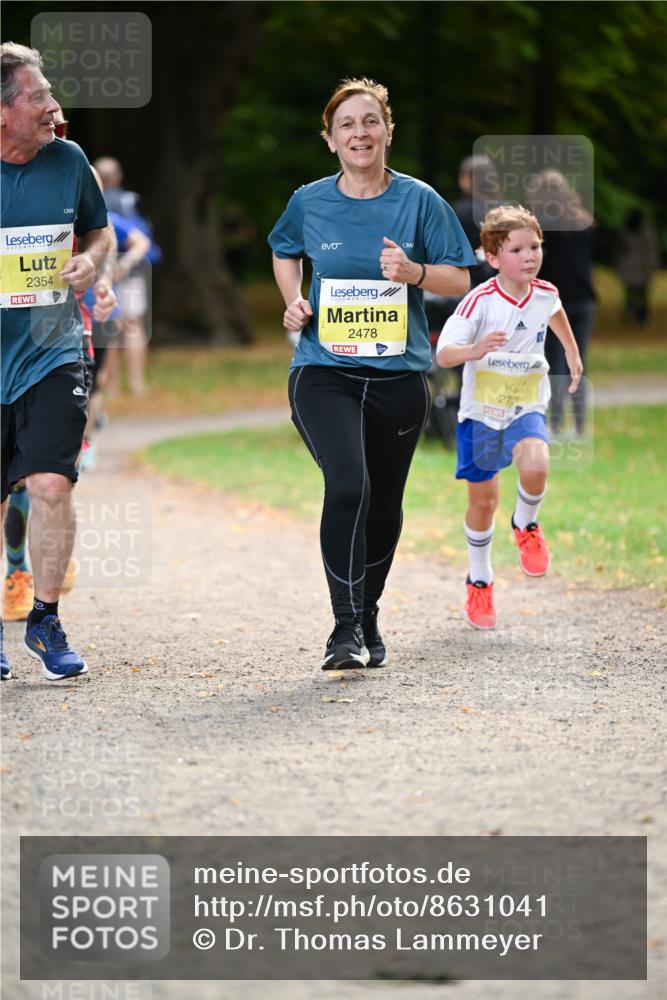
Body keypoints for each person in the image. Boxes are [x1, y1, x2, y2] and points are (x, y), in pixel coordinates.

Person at [269, 78, 475, 670]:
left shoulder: (420, 201)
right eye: (346, 126)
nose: (359, 133)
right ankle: (343, 628)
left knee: (384, 504)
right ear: (330, 140)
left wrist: (413, 273)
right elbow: (284, 250)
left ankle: (368, 614)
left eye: (370, 122)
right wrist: (294, 298)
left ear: (388, 131)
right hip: (323, 371)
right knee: (350, 485)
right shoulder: (309, 201)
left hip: (399, 380)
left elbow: (459, 279)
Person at [1, 43, 111, 680]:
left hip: (53, 348)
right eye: (38, 96)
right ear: (3, 112)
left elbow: (99, 228)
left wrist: (92, 258)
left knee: (50, 483)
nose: (52, 105)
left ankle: (44, 620)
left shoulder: (68, 160)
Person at [436, 204, 583, 630]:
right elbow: (444, 354)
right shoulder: (478, 303)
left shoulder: (545, 292)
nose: (529, 255)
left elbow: (555, 312)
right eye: (517, 249)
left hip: (526, 402)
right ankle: (479, 579)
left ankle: (526, 523)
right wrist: (475, 351)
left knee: (536, 464)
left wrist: (571, 352)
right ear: (494, 258)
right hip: (482, 412)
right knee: (483, 503)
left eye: (535, 246)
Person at [532, 169, 596, 436]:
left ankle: (556, 423)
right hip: (584, 300)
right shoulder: (584, 223)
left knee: (554, 362)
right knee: (578, 360)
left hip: (555, 302)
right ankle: (580, 423)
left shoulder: (543, 227)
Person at [94, 155, 158, 397]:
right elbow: (143, 239)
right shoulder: (130, 200)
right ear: (118, 177)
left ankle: (111, 387)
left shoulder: (90, 202)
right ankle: (137, 383)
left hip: (101, 273)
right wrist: (127, 262)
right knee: (133, 326)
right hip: (130, 272)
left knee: (109, 327)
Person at [614, 208, 661, 327]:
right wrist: (653, 265)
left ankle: (630, 312)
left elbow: (621, 252)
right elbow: (651, 251)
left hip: (629, 267)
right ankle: (641, 316)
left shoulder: (626, 233)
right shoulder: (646, 233)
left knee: (631, 293)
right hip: (641, 267)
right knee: (642, 294)